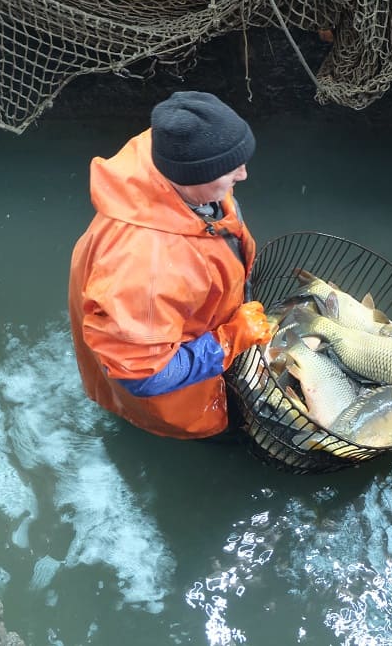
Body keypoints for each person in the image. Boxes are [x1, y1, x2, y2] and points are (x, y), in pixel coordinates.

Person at [68, 91, 274, 439]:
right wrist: (227, 340)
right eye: (230, 168)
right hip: (159, 378)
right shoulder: (144, 268)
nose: (243, 175)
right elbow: (144, 375)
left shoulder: (172, 153)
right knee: (212, 430)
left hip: (144, 321)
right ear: (196, 178)